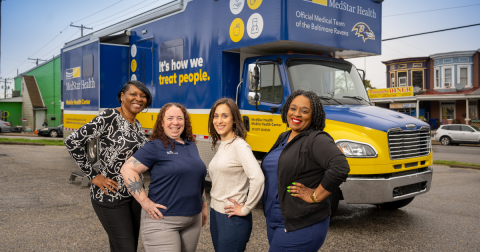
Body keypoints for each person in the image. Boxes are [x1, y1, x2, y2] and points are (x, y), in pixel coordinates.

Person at [64, 80, 152, 252]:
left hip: (134, 195)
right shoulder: (109, 117)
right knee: (126, 248)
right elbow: (72, 141)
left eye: (143, 96)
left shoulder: (137, 124)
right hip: (110, 196)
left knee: (125, 246)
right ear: (122, 96)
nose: (138, 99)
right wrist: (93, 176)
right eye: (133, 94)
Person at [261, 90, 350, 252]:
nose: (297, 114)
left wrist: (314, 195)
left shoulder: (316, 139)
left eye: (304, 111)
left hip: (301, 224)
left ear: (314, 115)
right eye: (293, 108)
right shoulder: (284, 137)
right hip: (275, 221)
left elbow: (340, 167)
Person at [120, 103, 207, 252]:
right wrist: (145, 202)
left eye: (180, 118)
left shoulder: (191, 145)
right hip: (162, 222)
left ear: (185, 122)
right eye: (170, 118)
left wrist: (203, 205)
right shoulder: (155, 146)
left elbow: (196, 177)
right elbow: (127, 169)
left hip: (193, 219)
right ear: (162, 122)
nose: (175, 122)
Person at [207, 98, 265, 252]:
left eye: (225, 116)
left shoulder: (239, 145)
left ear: (234, 119)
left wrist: (246, 208)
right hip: (216, 214)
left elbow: (258, 178)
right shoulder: (223, 144)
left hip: (232, 218)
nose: (219, 120)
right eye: (216, 116)